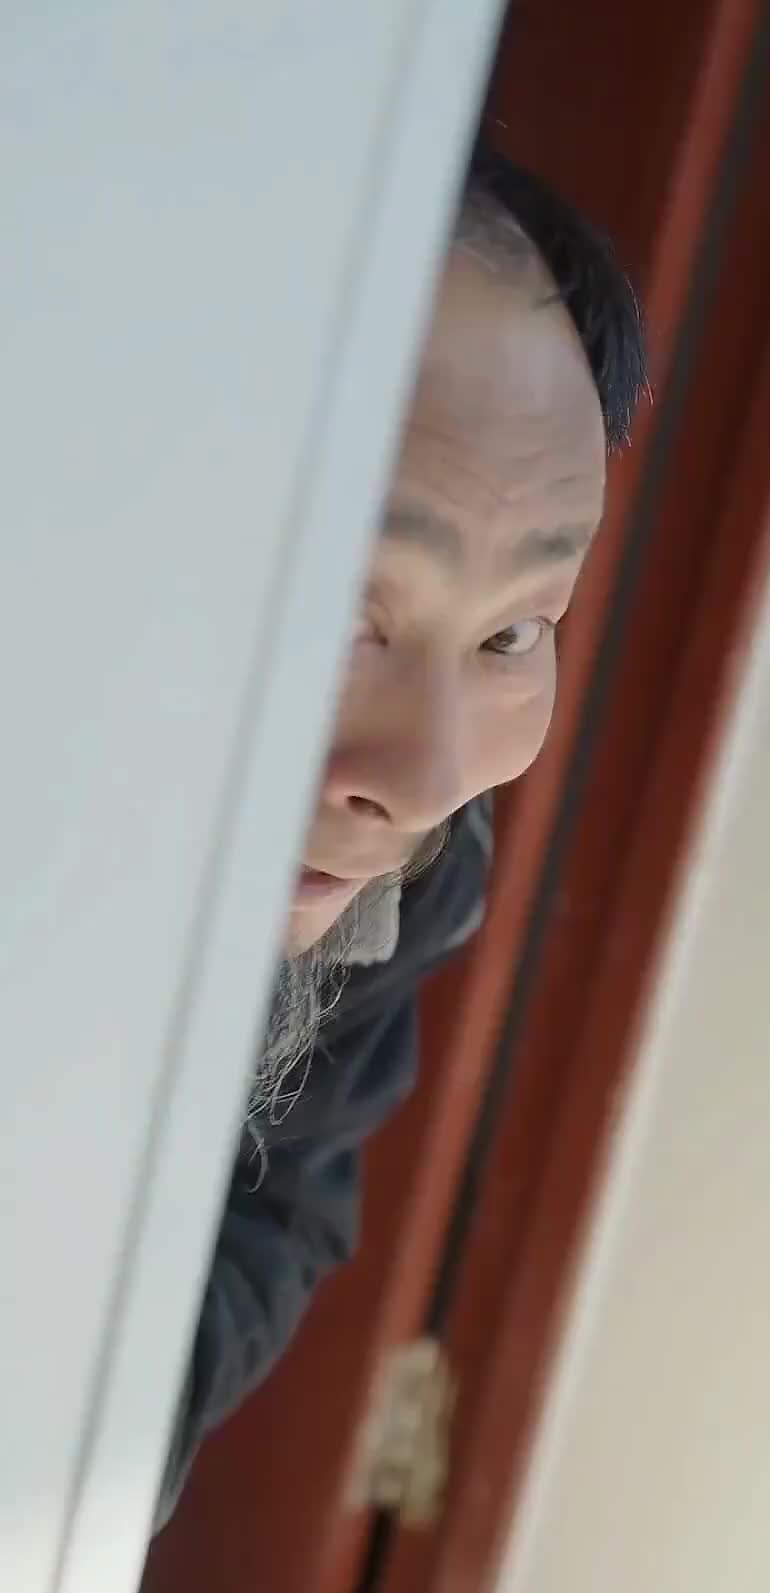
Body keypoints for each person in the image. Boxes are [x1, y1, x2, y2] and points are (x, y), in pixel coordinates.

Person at [157, 141, 646, 1522]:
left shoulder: (402, 882)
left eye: (511, 633)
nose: (425, 777)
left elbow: (272, 1209)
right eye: (343, 606)